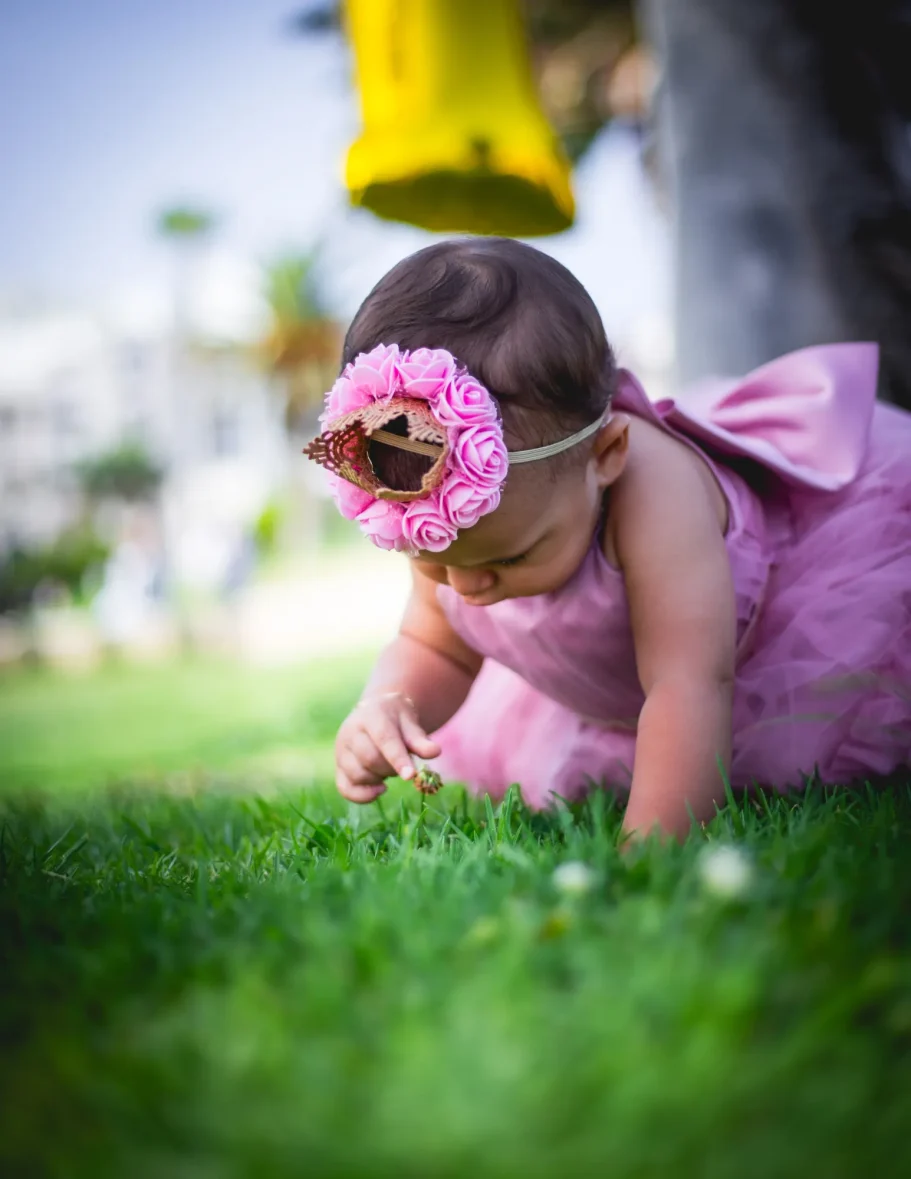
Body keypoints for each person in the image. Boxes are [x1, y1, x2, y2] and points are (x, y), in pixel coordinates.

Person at [304, 237, 911, 842]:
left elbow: (686, 683)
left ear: (607, 455)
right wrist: (390, 701)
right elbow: (436, 647)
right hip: (610, 686)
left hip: (741, 647)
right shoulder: (443, 506)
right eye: (434, 564)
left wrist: (650, 848)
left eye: (510, 556)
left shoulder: (657, 493)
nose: (468, 588)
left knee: (736, 728)